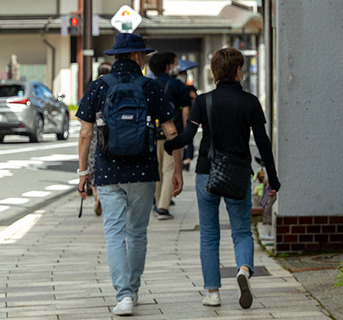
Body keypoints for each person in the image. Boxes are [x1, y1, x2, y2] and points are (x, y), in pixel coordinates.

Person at [77, 33, 183, 317]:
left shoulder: (99, 86)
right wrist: (178, 171)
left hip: (108, 170)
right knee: (137, 232)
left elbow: (86, 133)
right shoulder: (150, 87)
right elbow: (171, 131)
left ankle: (122, 295)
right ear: (138, 56)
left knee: (114, 232)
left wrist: (83, 173)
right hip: (143, 170)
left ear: (115, 57)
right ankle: (132, 292)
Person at [165, 47, 280, 309]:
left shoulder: (202, 101)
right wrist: (273, 178)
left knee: (209, 234)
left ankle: (213, 292)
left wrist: (168, 148)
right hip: (238, 174)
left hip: (208, 172)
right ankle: (242, 270)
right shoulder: (250, 102)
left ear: (214, 72)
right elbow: (263, 143)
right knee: (241, 231)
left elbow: (185, 138)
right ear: (239, 71)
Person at [148, 51, 191, 220]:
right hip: (173, 134)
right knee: (169, 169)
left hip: (153, 134)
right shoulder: (178, 85)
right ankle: (163, 207)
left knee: (157, 171)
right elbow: (186, 111)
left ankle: (158, 203)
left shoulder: (149, 85)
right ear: (167, 66)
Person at [93, 59, 113, 218]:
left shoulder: (93, 87)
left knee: (93, 167)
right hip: (109, 132)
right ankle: (103, 195)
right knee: (105, 164)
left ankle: (96, 195)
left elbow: (81, 115)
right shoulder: (114, 86)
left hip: (93, 133)